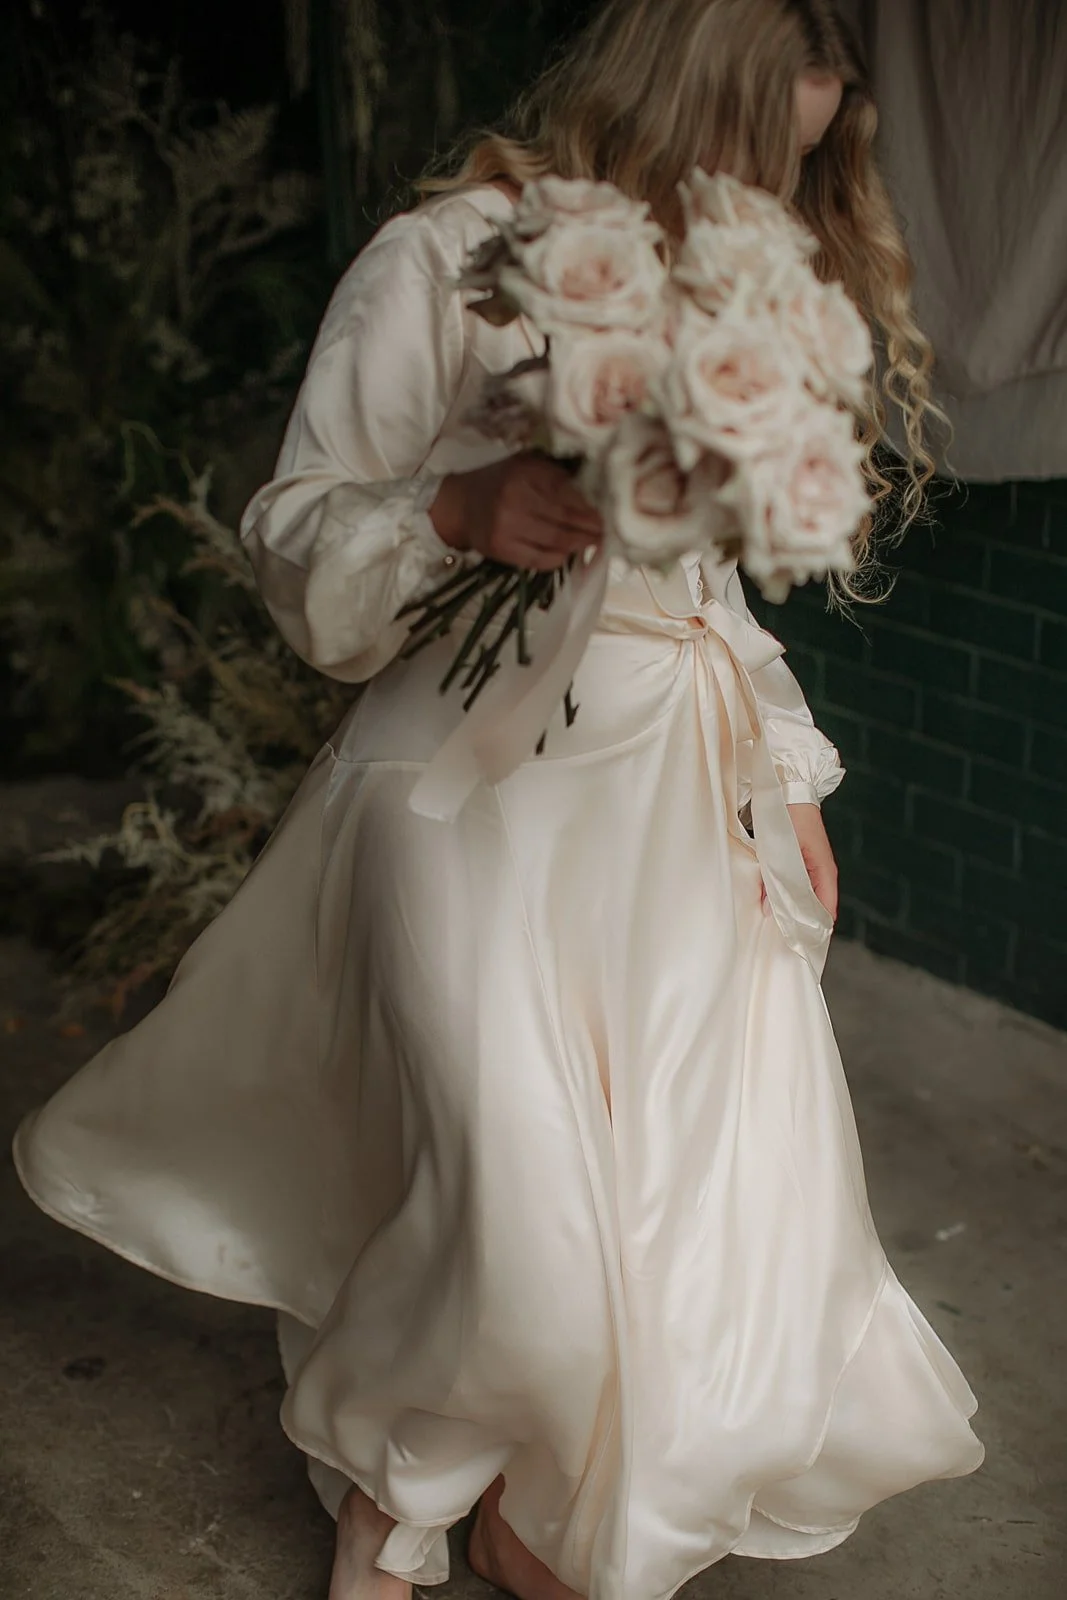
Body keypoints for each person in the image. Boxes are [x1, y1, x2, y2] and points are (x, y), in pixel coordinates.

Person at [13, 3, 985, 1599]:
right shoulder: (450, 254)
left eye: (798, 161)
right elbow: (297, 524)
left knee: (698, 1222)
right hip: (466, 787)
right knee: (511, 1215)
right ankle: (393, 1503)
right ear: (675, 94)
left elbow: (718, 592)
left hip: (675, 795)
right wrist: (459, 505)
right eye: (750, 143)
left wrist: (789, 774)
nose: (760, 187)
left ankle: (549, 1535)